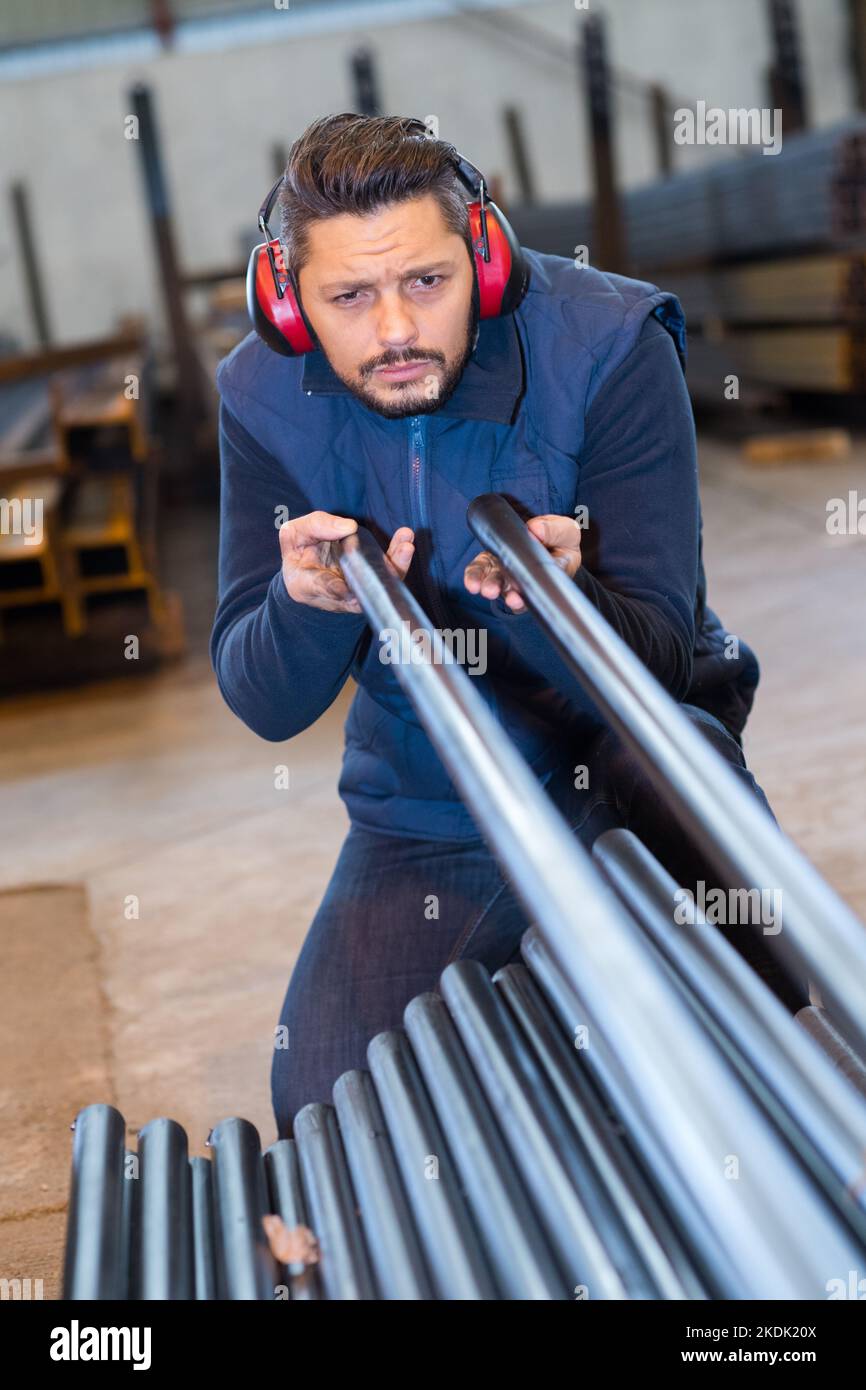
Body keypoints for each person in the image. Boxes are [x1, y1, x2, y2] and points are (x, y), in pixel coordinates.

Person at [210, 114, 807, 1138]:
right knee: (329, 1116)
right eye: (349, 297)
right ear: (288, 302)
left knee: (714, 1092)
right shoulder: (260, 396)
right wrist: (303, 608)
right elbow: (261, 699)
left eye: (425, 284)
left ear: (481, 261)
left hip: (633, 775)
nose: (393, 330)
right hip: (426, 806)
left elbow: (660, 657)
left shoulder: (610, 344)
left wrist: (560, 606)